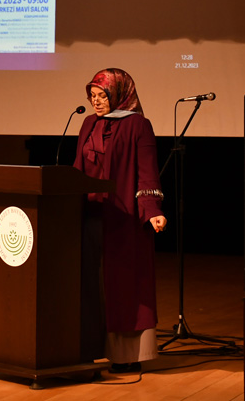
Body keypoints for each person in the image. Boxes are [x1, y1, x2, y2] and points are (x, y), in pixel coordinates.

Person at [74, 68, 167, 373]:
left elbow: (147, 171)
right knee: (91, 282)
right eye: (93, 96)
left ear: (119, 95)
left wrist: (152, 210)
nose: (96, 102)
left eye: (102, 96)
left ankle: (126, 355)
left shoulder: (138, 125)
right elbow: (77, 170)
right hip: (90, 216)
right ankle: (88, 347)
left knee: (124, 284)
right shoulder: (88, 123)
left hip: (124, 217)